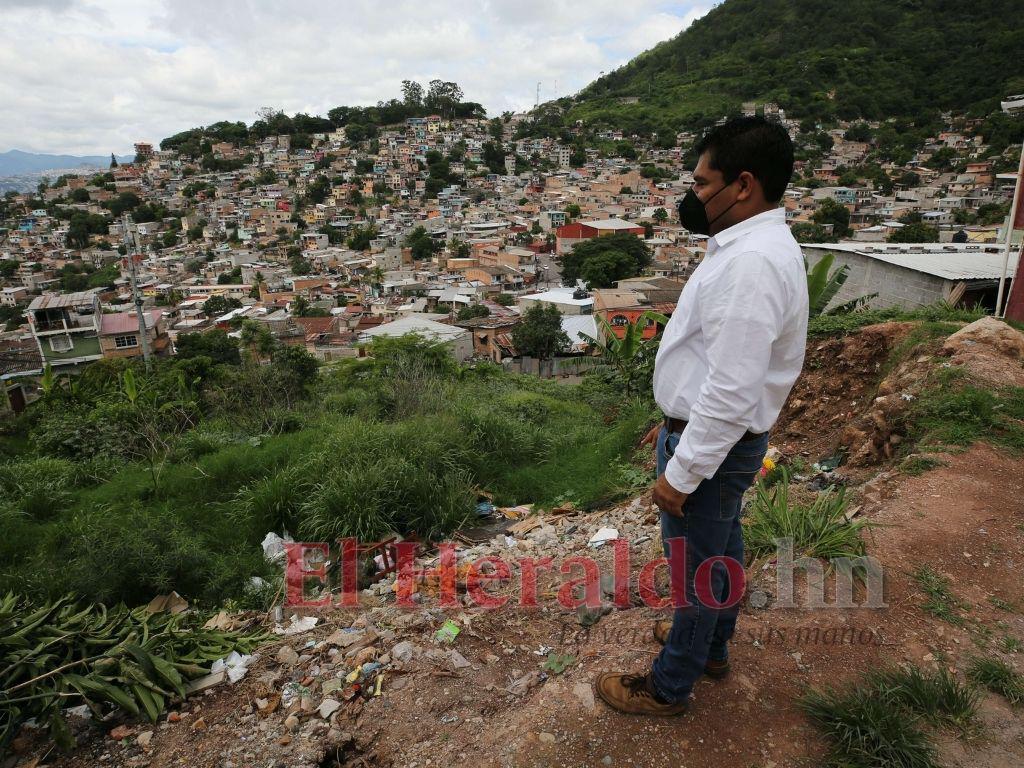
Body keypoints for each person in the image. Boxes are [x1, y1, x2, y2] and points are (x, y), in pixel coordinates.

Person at [595, 116, 808, 715]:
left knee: (694, 575)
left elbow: (732, 390)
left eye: (701, 182)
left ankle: (669, 686)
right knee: (722, 550)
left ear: (743, 185)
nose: (693, 195)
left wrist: (680, 473)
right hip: (723, 443)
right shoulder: (750, 247)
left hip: (710, 444)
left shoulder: (752, 265)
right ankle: (711, 645)